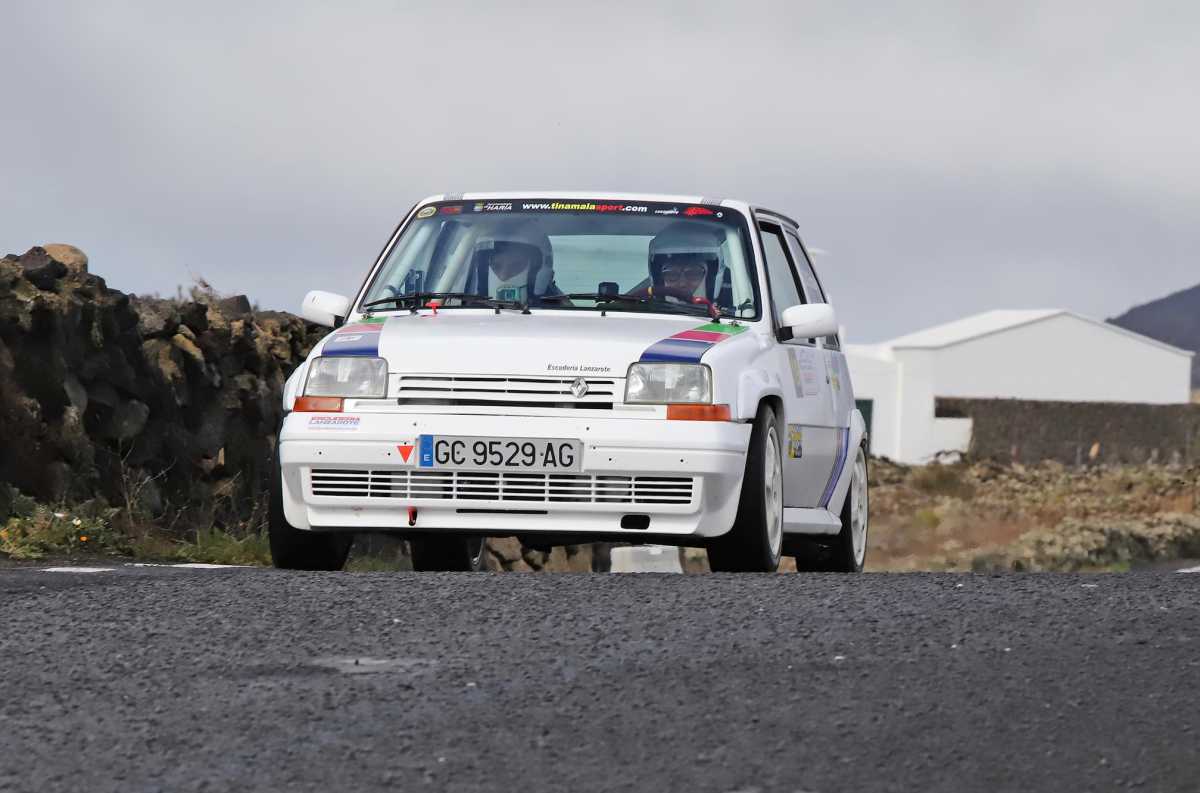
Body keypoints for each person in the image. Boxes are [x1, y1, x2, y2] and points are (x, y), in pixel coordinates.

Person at [473, 223, 559, 304]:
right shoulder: (470, 308)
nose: (503, 276)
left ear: (538, 271)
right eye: (496, 266)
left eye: (515, 266)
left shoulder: (561, 311)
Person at [642, 222, 723, 303]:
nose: (682, 284)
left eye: (693, 273)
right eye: (672, 274)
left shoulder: (730, 303)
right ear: (658, 279)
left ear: (711, 277)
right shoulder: (640, 306)